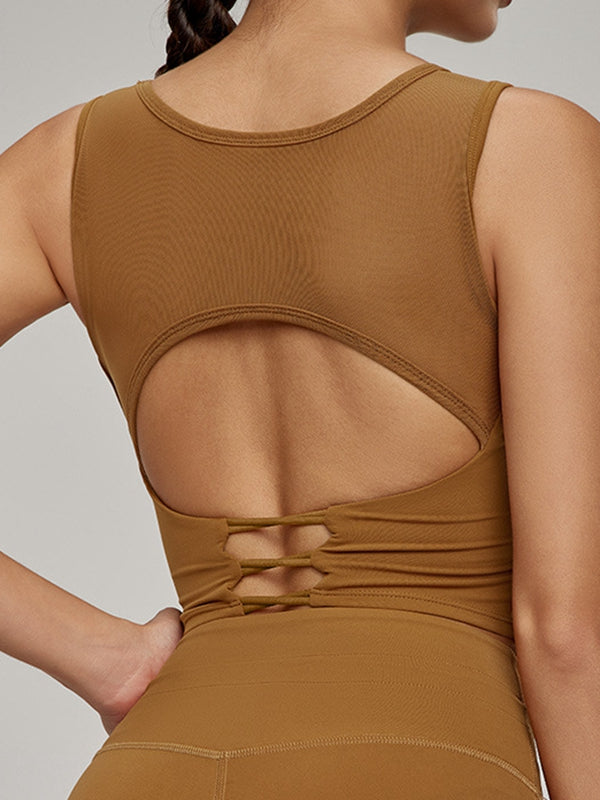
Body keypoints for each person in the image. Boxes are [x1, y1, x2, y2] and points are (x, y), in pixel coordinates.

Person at [1, 0, 599, 797]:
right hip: (429, 762)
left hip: (155, 767)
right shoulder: (530, 149)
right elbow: (563, 633)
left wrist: (98, 655)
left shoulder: (64, 163)